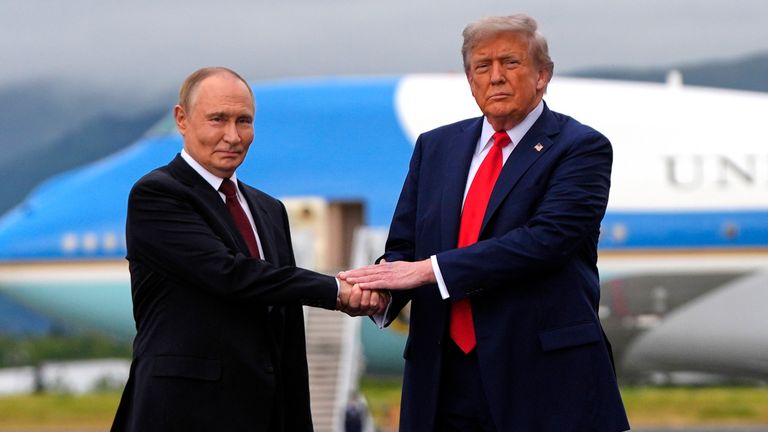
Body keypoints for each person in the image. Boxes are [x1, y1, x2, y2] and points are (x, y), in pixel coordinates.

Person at [340, 14, 630, 431]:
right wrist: (380, 292)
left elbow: (546, 241)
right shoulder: (435, 147)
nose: (496, 77)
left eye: (510, 62)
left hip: (543, 381)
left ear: (543, 75)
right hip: (442, 381)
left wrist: (427, 271)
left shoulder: (580, 147)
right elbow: (404, 247)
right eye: (482, 66)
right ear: (470, 79)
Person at [111, 67, 385, 432]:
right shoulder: (158, 194)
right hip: (182, 414)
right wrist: (335, 290)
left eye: (244, 121)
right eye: (217, 119)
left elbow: (286, 327)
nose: (233, 136)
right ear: (182, 119)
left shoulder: (269, 209)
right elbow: (230, 274)